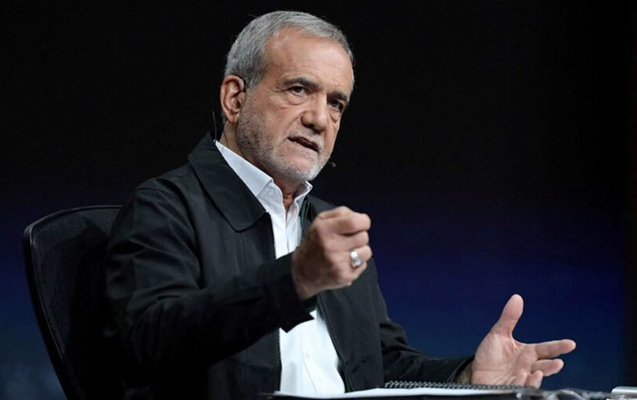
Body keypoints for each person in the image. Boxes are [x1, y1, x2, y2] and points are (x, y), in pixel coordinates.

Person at [105, 10, 576, 399]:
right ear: (235, 98)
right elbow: (151, 342)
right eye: (298, 89)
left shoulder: (330, 227)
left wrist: (469, 377)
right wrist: (295, 280)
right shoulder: (164, 207)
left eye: (336, 103)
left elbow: (380, 366)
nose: (319, 118)